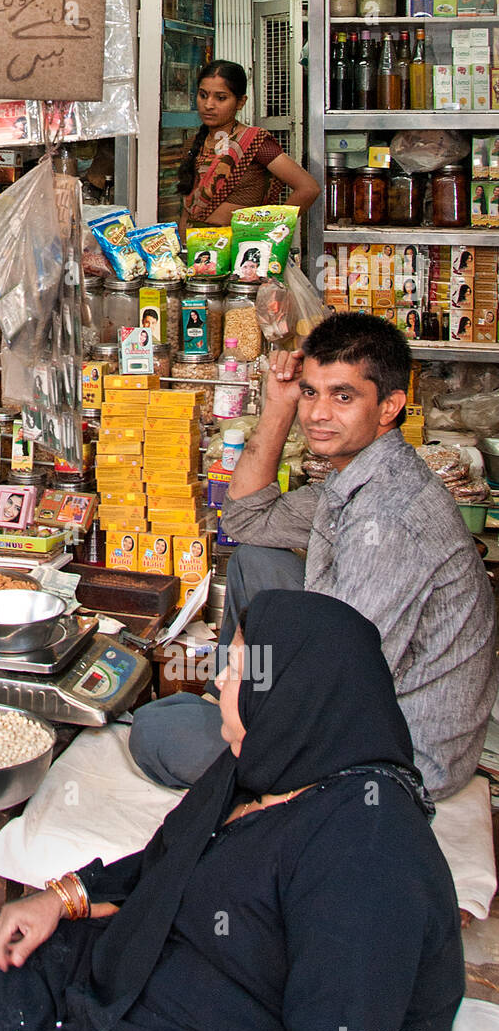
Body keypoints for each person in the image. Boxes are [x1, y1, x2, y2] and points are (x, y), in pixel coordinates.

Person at [0, 592, 463, 1031]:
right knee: (12, 958)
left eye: (236, 669)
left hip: (226, 1028)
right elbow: (168, 861)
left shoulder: (367, 851)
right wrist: (60, 898)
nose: (217, 680)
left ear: (291, 691)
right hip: (166, 971)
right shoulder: (263, 764)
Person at [130, 312, 498, 801]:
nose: (319, 413)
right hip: (357, 683)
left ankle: (244, 724)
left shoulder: (388, 517)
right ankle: (234, 699)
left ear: (390, 406)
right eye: (310, 393)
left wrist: (260, 720)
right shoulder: (358, 474)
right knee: (257, 561)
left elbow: (350, 672)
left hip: (397, 749)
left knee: (158, 731)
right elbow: (243, 523)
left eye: (343, 396)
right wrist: (279, 406)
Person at [177, 60, 320, 233]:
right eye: (203, 95)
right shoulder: (193, 144)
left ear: (240, 102)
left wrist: (270, 232)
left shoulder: (254, 142)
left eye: (221, 98)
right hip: (196, 249)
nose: (209, 105)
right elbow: (188, 210)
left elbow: (308, 188)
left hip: (239, 250)